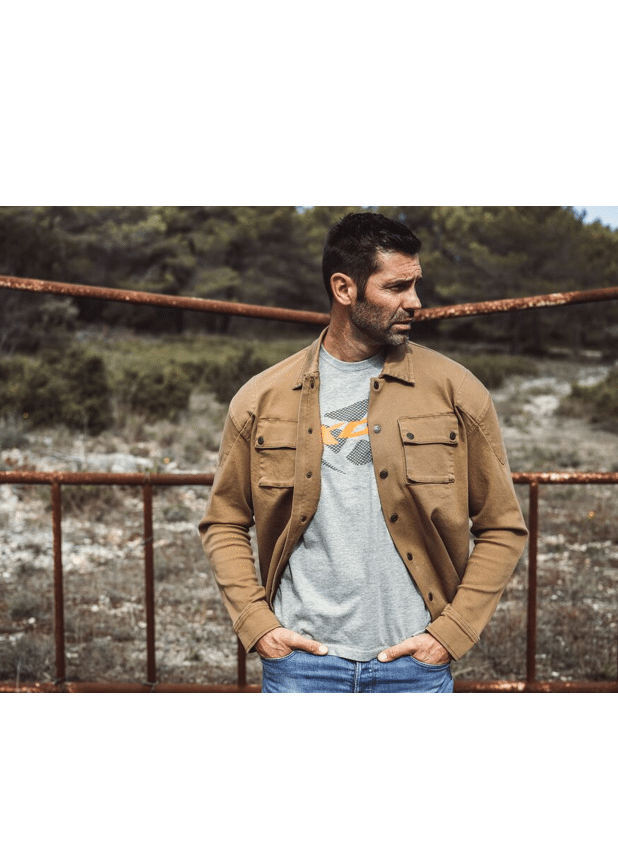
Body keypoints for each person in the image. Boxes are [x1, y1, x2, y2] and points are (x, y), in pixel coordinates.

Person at [199, 212, 527, 693]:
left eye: (415, 284)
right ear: (344, 289)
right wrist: (257, 624)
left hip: (413, 668)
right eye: (396, 287)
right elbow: (224, 521)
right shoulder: (260, 399)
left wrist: (450, 634)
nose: (415, 301)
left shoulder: (457, 392)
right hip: (302, 667)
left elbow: (502, 526)